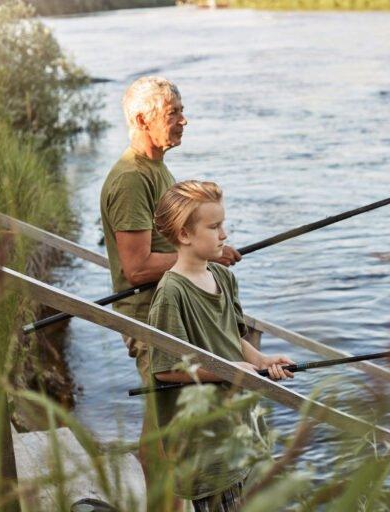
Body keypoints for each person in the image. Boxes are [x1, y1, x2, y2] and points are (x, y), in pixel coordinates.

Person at [99, 76, 241, 486]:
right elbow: (137, 268)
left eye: (181, 111)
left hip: (174, 309)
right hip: (152, 319)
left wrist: (209, 256)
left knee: (160, 432)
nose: (183, 120)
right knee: (166, 437)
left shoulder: (156, 168)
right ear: (143, 119)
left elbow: (173, 245)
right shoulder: (130, 179)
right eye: (173, 113)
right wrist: (203, 255)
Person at [148, 180, 294, 511]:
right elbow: (167, 371)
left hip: (241, 424)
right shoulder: (171, 294)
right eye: (214, 227)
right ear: (185, 235)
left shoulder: (224, 277)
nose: (224, 235)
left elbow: (234, 339)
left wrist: (262, 360)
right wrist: (225, 372)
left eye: (223, 225)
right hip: (206, 442)